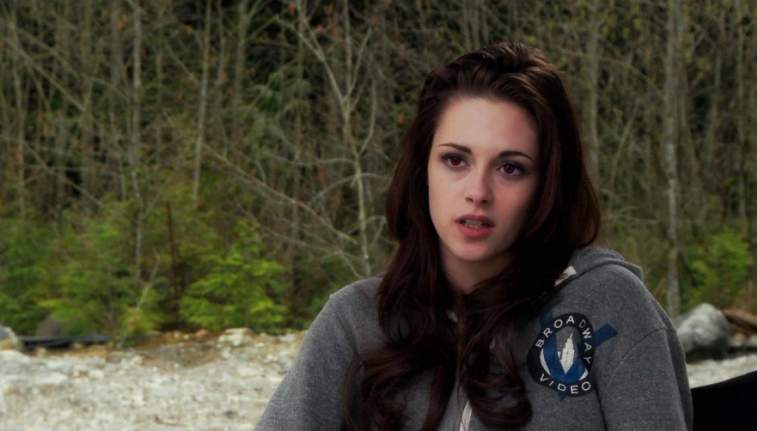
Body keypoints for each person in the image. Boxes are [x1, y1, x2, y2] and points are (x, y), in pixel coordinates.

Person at [256, 42, 692, 431]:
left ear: (547, 185)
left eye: (511, 168)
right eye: (455, 160)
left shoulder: (608, 306)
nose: (478, 192)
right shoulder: (354, 320)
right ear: (422, 170)